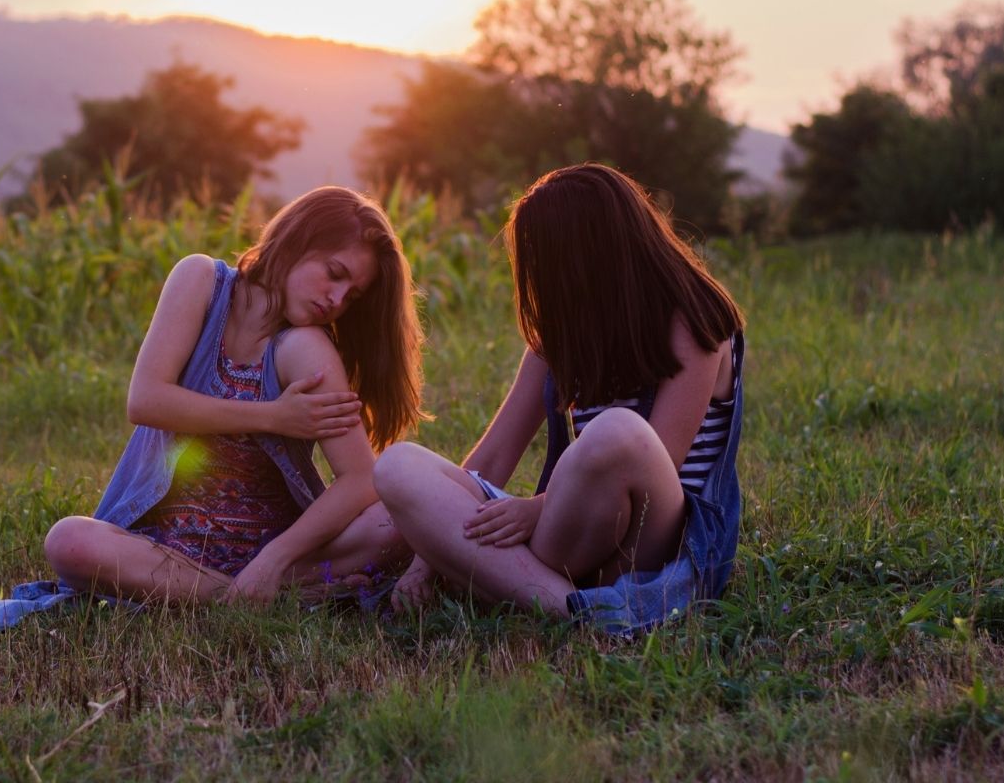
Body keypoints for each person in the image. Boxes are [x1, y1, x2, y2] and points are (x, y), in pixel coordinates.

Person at [374, 164, 746, 632]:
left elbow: (661, 457)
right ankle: (574, 609)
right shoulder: (562, 333)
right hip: (573, 535)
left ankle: (518, 587)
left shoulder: (693, 320)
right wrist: (425, 561)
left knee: (617, 432)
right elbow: (493, 454)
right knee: (398, 466)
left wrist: (536, 509)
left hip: (660, 542)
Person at [41, 185, 424, 605]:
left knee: (402, 513)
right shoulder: (200, 280)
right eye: (335, 273)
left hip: (279, 554)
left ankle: (260, 584)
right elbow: (146, 400)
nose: (336, 300)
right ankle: (251, 596)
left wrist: (273, 559)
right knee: (70, 541)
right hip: (163, 548)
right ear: (297, 240)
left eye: (351, 296)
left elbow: (360, 479)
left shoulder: (306, 348)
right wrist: (272, 417)